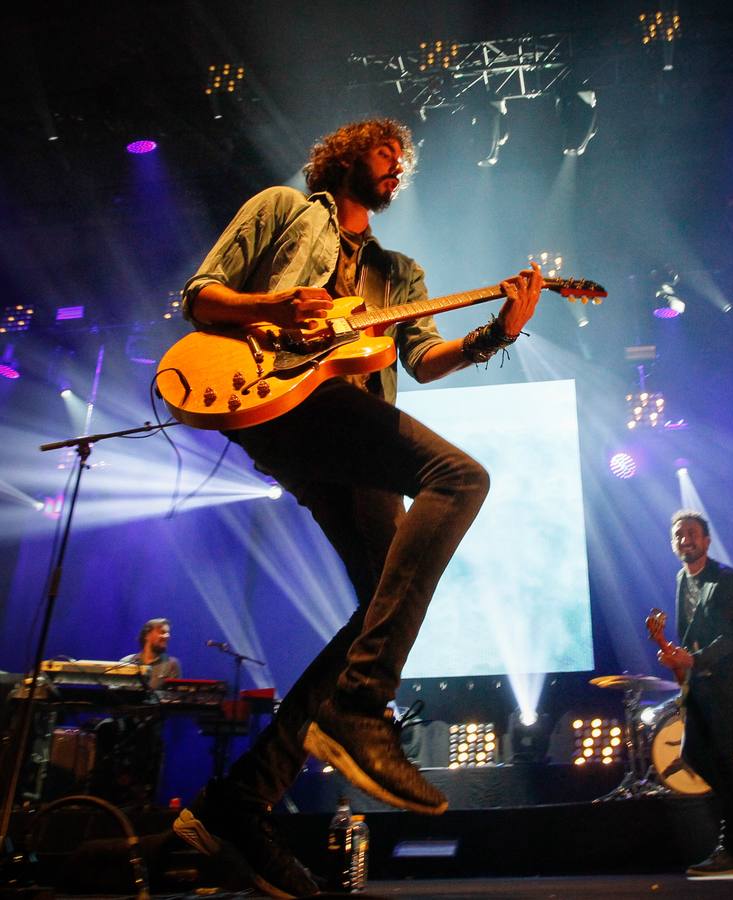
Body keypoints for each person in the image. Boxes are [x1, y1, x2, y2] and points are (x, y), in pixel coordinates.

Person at [170, 118, 542, 897]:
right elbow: (202, 296)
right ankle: (360, 706)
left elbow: (423, 360)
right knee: (458, 477)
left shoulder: (398, 273)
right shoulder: (283, 208)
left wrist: (495, 332)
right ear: (344, 155)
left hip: (351, 429)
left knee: (380, 605)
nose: (397, 165)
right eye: (385, 152)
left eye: (402, 160)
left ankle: (237, 804)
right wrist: (271, 313)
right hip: (282, 403)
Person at [657, 510, 733, 877]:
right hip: (703, 683)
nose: (686, 540)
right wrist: (676, 658)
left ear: (706, 540)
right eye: (679, 535)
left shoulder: (725, 579)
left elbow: (732, 638)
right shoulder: (682, 579)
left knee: (720, 757)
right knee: (693, 754)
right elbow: (687, 633)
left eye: (692, 534)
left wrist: (692, 658)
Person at [120, 617, 181, 690]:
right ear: (147, 635)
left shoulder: (171, 664)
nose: (167, 636)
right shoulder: (127, 662)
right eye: (162, 632)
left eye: (168, 633)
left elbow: (172, 697)